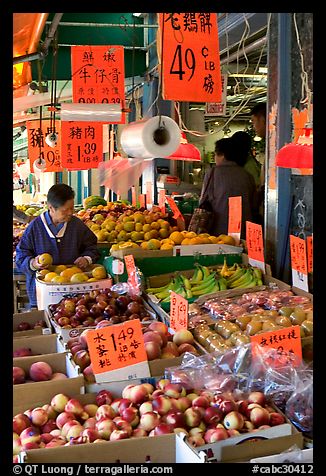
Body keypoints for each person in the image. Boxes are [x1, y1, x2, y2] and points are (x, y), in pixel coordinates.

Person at [15, 184, 100, 309]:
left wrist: (87, 258)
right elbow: (21, 257)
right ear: (51, 208)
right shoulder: (35, 227)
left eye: (72, 208)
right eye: (65, 210)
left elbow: (92, 246)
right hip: (43, 294)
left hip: (74, 293)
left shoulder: (76, 225)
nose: (70, 213)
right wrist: (33, 263)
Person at [198, 138, 258, 238]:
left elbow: (203, 200)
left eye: (216, 154)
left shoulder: (212, 173)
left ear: (222, 155)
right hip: (244, 232)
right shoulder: (247, 175)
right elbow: (254, 205)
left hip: (218, 232)